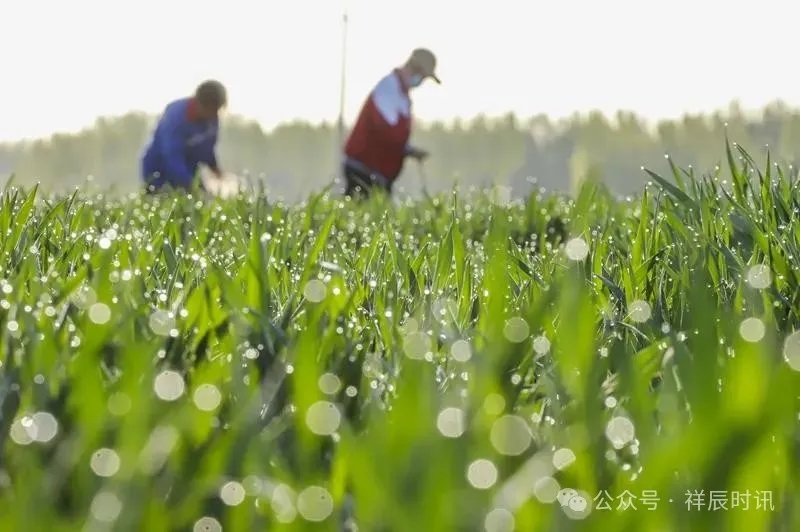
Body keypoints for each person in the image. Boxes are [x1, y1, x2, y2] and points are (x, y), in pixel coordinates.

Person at [342, 48, 440, 199]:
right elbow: (387, 131)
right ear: (415, 69)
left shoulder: (402, 95)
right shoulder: (388, 88)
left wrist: (409, 150)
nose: (421, 82)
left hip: (378, 173)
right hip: (364, 170)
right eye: (423, 76)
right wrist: (406, 149)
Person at [141, 80, 227, 194]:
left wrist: (215, 169)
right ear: (202, 104)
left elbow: (207, 149)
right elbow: (171, 155)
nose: (215, 114)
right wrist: (190, 186)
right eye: (213, 109)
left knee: (204, 201)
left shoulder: (212, 118)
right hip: (159, 171)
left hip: (190, 169)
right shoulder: (175, 115)